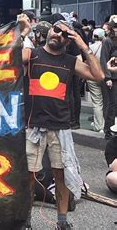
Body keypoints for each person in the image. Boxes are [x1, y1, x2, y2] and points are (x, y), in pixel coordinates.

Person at [19, 14, 104, 229]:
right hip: (33, 126)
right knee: (28, 177)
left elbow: (98, 75)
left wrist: (83, 45)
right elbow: (13, 58)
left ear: (70, 40)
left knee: (62, 176)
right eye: (57, 29)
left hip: (60, 128)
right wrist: (23, 33)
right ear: (48, 31)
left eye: (66, 34)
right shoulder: (33, 54)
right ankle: (26, 222)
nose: (59, 35)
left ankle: (62, 222)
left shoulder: (71, 61)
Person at [100, 20, 117, 139]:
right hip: (112, 77)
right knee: (112, 104)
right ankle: (108, 130)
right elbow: (103, 60)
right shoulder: (107, 42)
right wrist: (107, 78)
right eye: (115, 27)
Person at [87, 28, 106, 132]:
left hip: (92, 76)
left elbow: (87, 61)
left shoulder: (90, 47)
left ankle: (99, 126)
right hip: (106, 76)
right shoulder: (107, 46)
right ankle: (108, 123)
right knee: (107, 101)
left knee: (97, 102)